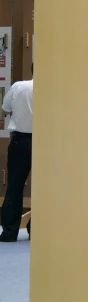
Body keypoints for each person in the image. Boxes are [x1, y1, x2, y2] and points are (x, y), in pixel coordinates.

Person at [1, 70, 33, 242]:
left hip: (20, 140)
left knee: (14, 185)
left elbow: (5, 109)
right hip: (45, 142)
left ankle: (9, 231)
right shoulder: (51, 90)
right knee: (45, 187)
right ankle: (37, 229)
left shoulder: (18, 86)